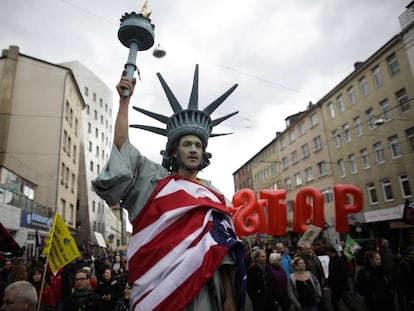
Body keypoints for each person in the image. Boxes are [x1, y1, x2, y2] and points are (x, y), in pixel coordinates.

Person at [93, 65, 245, 311]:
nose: (194, 149)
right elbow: (123, 149)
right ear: (175, 150)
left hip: (203, 290)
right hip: (159, 287)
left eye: (198, 145)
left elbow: (223, 251)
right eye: (187, 144)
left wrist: (229, 297)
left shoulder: (213, 195)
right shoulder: (155, 181)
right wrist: (124, 104)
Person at [325, 246, 357, 311]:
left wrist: (333, 280)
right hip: (336, 287)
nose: (328, 255)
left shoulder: (339, 261)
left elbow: (344, 274)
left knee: (347, 303)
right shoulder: (332, 260)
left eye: (328, 254)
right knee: (335, 303)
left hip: (341, 287)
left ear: (332, 253)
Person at [399, 246, 414, 311]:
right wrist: (411, 298)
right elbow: (402, 282)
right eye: (412, 253)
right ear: (408, 254)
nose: (413, 255)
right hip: (410, 294)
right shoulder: (405, 265)